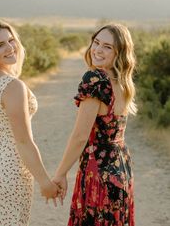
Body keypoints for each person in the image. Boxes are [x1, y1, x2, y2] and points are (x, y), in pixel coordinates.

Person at [0, 19, 60, 226]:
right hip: (9, 170)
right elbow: (24, 141)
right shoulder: (12, 86)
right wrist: (45, 182)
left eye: (10, 40)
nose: (10, 48)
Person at [54, 24, 136, 226]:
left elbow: (80, 136)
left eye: (108, 46)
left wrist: (60, 174)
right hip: (121, 168)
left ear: (120, 52)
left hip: (98, 172)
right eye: (96, 42)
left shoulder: (95, 79)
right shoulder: (123, 81)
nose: (98, 50)